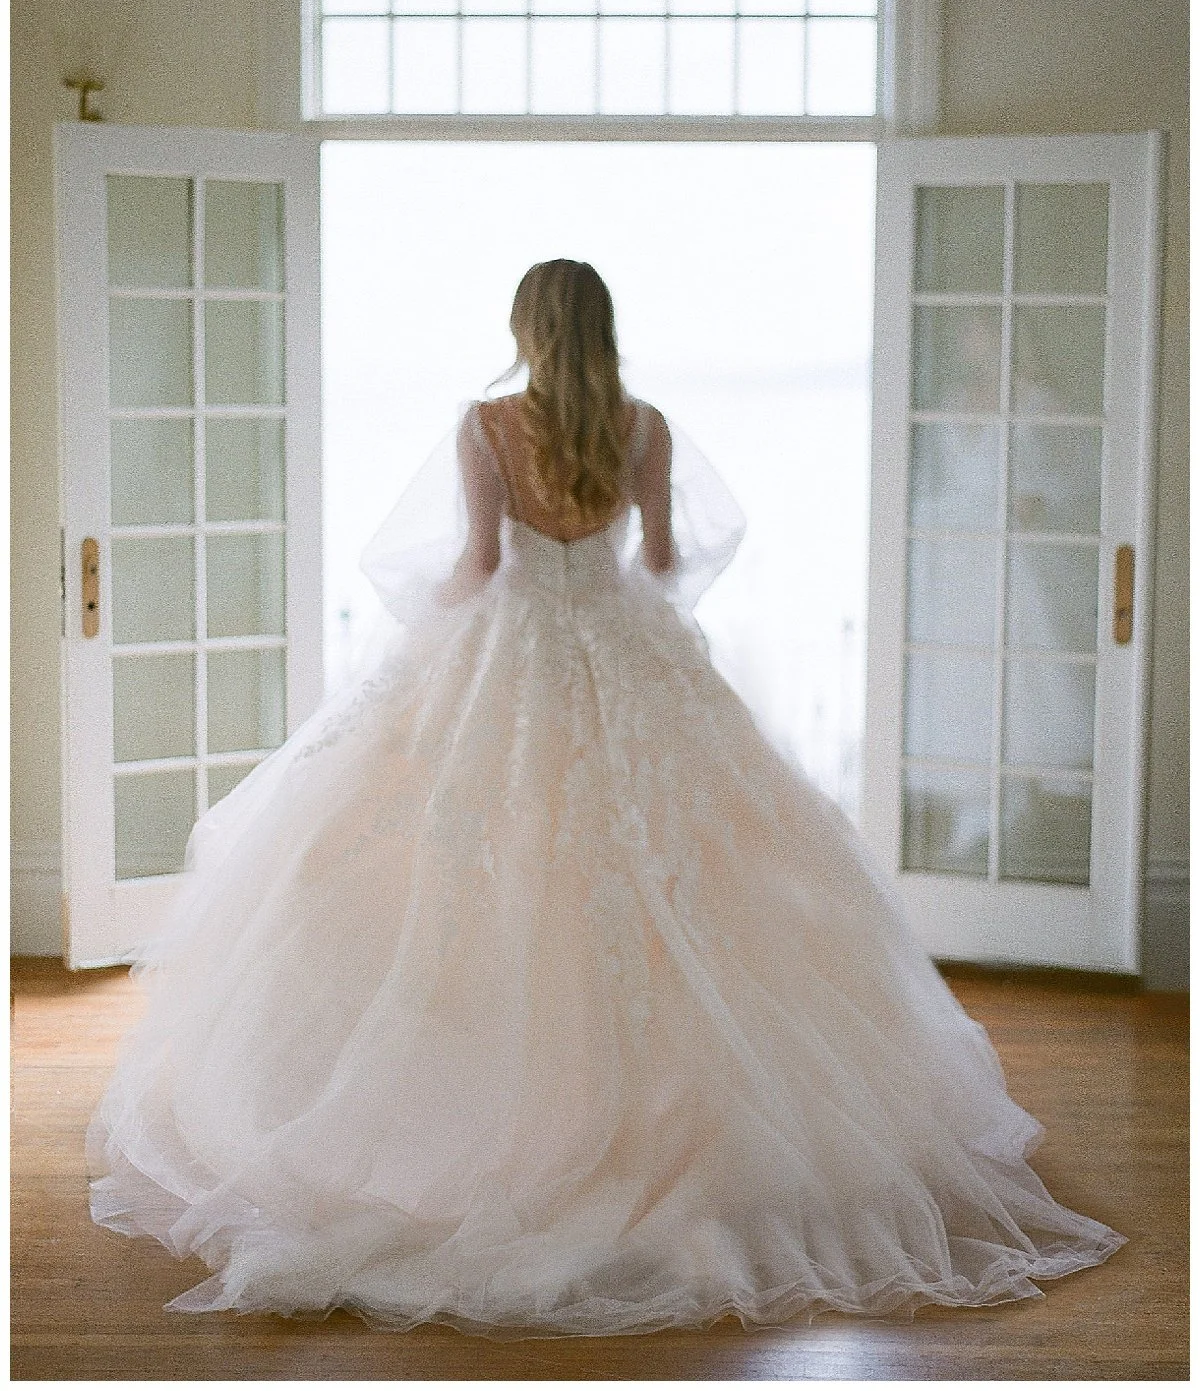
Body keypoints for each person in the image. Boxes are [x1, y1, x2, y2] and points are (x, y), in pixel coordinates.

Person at [88, 258, 1124, 1336]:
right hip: (629, 651)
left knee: (478, 871)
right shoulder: (646, 427)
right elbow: (668, 557)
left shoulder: (487, 426)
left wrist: (425, 632)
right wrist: (611, 583)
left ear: (528, 327)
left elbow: (480, 565)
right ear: (602, 328)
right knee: (684, 872)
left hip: (513, 653)